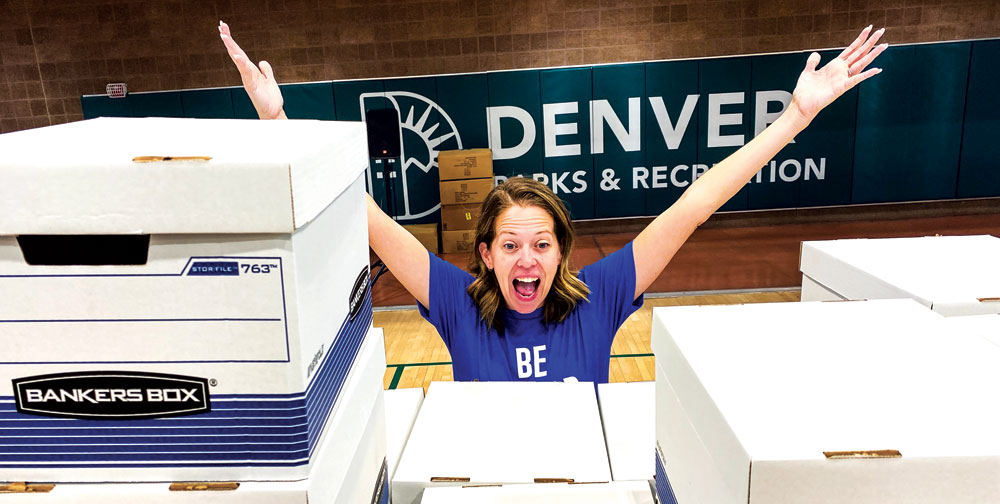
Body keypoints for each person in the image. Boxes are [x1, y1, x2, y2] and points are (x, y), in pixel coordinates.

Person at [220, 21, 887, 383]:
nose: (527, 258)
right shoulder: (457, 303)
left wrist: (795, 117)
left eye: (541, 243)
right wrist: (279, 128)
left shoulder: (599, 297)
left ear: (562, 251)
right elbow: (364, 214)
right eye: (510, 245)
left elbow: (694, 204)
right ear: (485, 255)